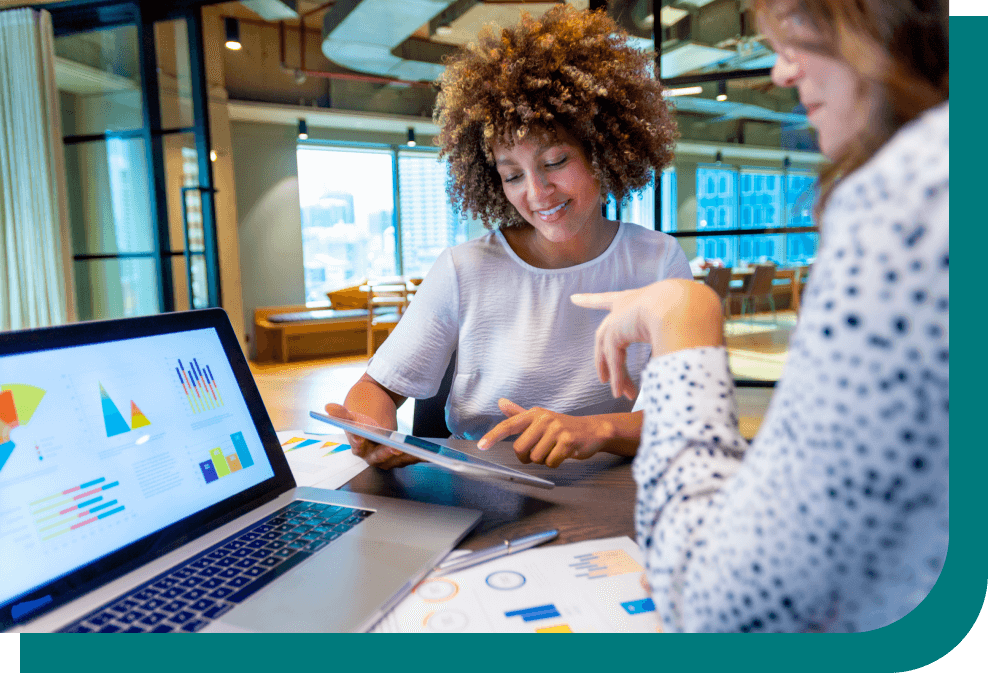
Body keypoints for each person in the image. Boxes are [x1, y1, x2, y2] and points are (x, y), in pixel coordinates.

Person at [572, 0, 948, 632]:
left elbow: (721, 604)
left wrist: (681, 318)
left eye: (798, 31)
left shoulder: (910, 200)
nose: (780, 72)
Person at [323, 5, 689, 470]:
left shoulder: (657, 261)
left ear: (604, 150)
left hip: (613, 491)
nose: (537, 193)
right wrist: (371, 429)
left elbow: (681, 416)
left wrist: (594, 430)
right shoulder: (464, 269)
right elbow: (377, 388)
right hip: (482, 486)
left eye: (555, 162)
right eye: (512, 174)